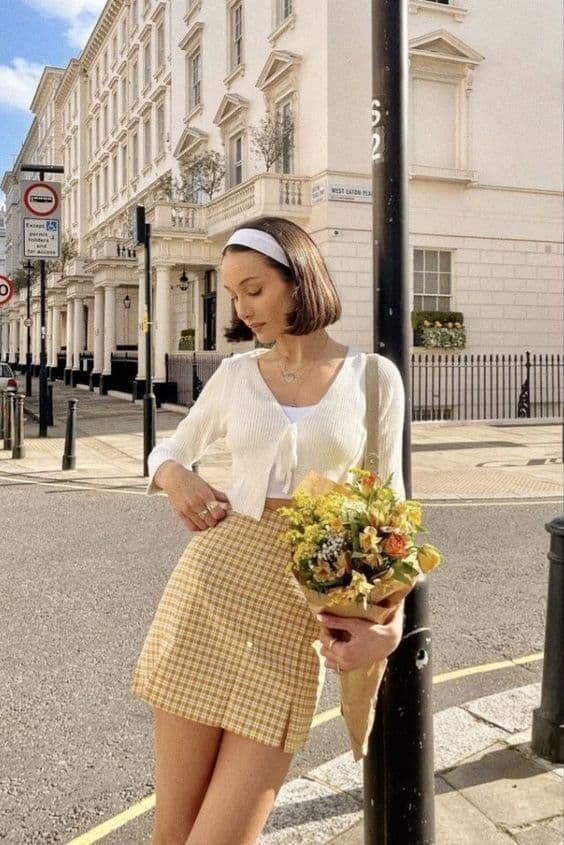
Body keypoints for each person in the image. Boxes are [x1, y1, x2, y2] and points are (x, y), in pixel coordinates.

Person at [132, 216, 406, 845]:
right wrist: (175, 476)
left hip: (295, 612)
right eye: (234, 294)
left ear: (299, 280)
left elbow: (390, 512)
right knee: (172, 832)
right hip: (209, 594)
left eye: (253, 289)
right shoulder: (236, 375)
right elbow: (168, 449)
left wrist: (388, 625)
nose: (241, 308)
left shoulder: (372, 377)